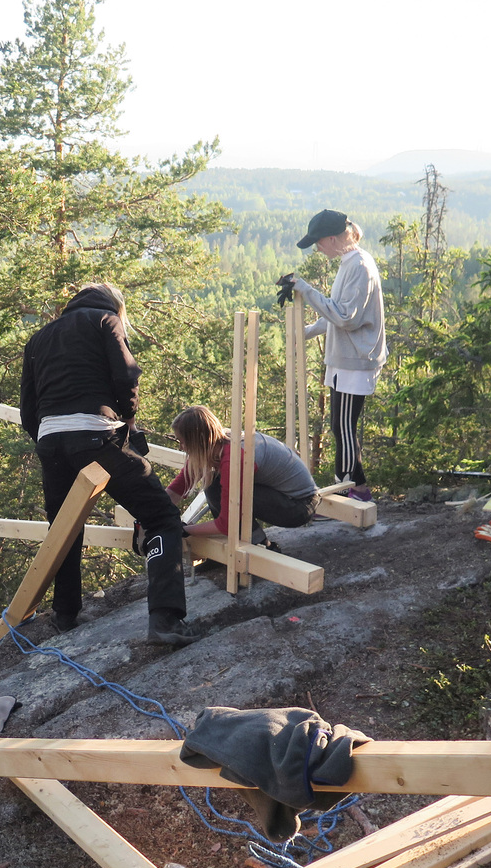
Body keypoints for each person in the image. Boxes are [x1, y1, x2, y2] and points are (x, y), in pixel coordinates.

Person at [19, 282, 200, 646]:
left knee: (65, 528)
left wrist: (51, 439)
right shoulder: (106, 320)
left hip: (50, 441)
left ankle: (65, 614)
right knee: (161, 516)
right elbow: (126, 374)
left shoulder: (38, 338)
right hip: (95, 434)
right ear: (117, 306)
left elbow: (28, 408)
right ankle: (165, 619)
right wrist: (128, 419)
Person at [276, 210, 386, 503]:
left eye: (318, 241)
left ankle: (347, 487)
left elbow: (346, 317)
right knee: (339, 425)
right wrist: (305, 332)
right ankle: (357, 489)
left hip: (357, 360)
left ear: (333, 238)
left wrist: (306, 289)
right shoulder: (348, 263)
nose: (316, 247)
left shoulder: (360, 266)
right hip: (344, 359)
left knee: (344, 427)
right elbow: (335, 313)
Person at [166, 405, 317, 541]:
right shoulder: (216, 441)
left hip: (300, 507)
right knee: (213, 485)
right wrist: (155, 516)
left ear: (198, 441)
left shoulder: (234, 457)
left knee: (217, 486)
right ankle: (247, 542)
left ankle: (258, 543)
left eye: (183, 442)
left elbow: (227, 523)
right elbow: (177, 489)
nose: (181, 447)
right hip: (285, 497)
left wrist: (185, 530)